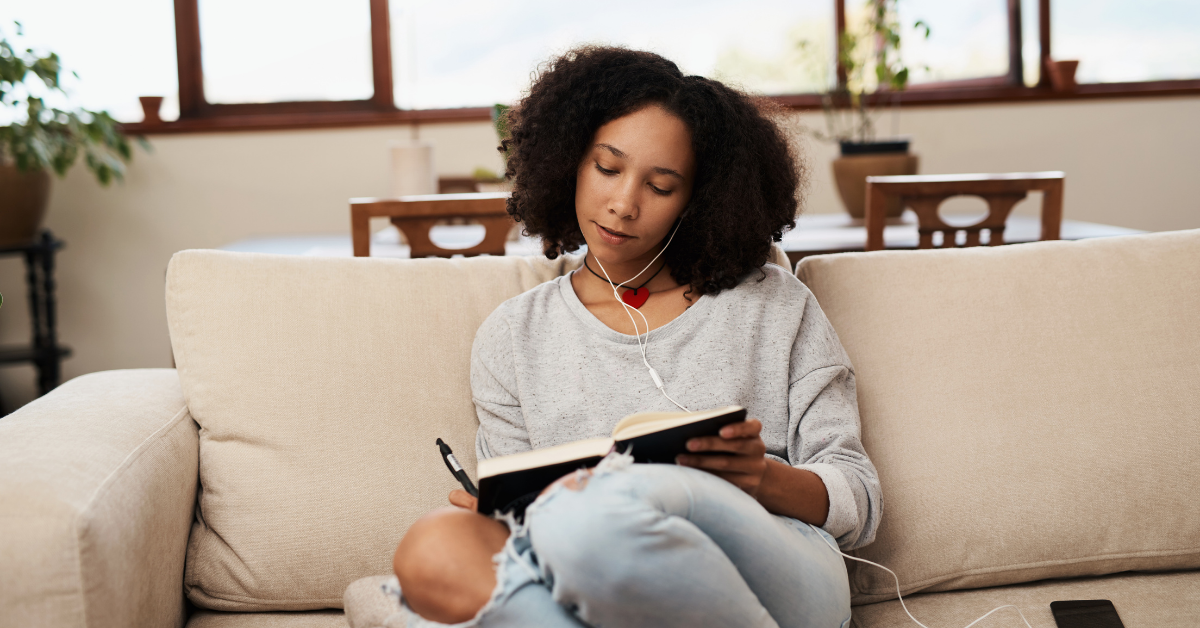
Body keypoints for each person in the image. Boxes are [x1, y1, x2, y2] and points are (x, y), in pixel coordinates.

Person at [391, 45, 882, 628]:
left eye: (662, 185)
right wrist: (506, 515)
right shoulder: (513, 336)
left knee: (592, 509)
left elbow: (860, 496)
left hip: (775, 563)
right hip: (587, 567)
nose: (623, 204)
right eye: (607, 168)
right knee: (432, 547)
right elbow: (518, 517)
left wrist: (761, 478)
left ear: (696, 201)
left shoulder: (771, 303)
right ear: (569, 160)